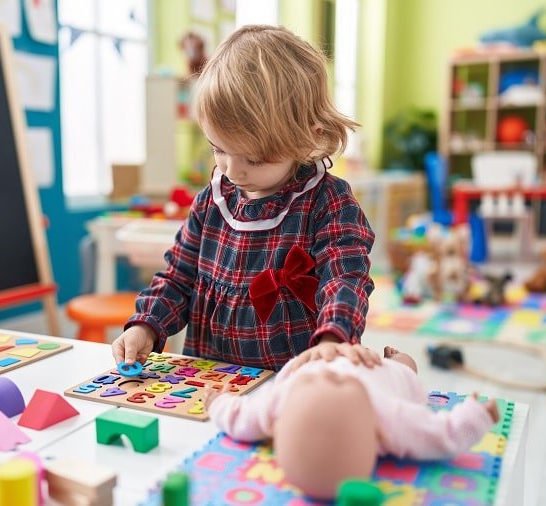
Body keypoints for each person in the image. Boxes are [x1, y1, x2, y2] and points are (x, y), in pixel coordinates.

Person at [112, 25, 375, 371]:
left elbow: (344, 279)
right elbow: (178, 278)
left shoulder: (328, 202)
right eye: (218, 149)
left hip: (288, 382)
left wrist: (333, 338)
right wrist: (147, 324)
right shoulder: (212, 201)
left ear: (307, 136)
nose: (233, 171)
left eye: (254, 158)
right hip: (207, 381)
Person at [204, 346, 501, 500]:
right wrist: (477, 415)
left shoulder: (279, 400)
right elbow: (442, 435)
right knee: (407, 369)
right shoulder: (386, 415)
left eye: (318, 386)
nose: (330, 379)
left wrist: (216, 402)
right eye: (340, 391)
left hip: (315, 355)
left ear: (276, 427)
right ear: (375, 439)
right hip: (381, 371)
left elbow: (237, 417)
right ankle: (398, 355)